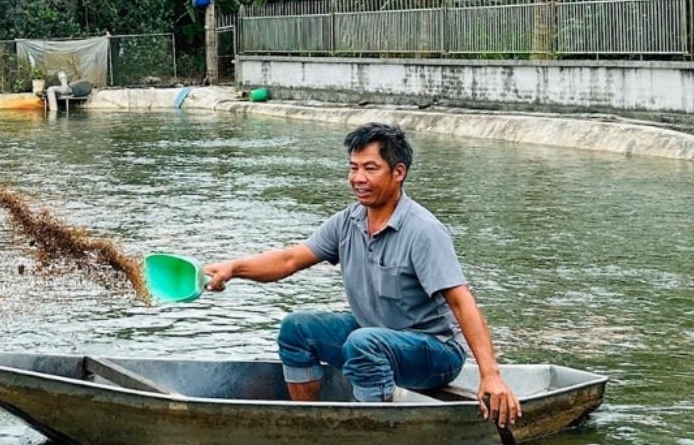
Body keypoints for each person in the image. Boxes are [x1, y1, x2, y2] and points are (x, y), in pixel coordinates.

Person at [202, 122, 522, 425]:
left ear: (398, 173)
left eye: (370, 169)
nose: (358, 178)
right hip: (373, 335)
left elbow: (462, 301)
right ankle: (308, 424)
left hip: (434, 351)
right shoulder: (348, 222)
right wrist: (234, 268)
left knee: (364, 343)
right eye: (354, 168)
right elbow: (289, 260)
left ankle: (368, 433)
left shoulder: (423, 231)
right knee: (296, 329)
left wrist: (490, 374)